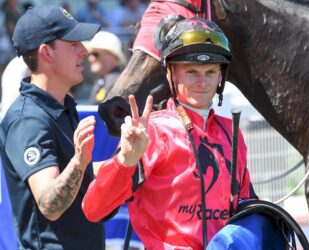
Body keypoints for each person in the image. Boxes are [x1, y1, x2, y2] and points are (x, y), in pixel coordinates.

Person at [82, 17, 258, 249]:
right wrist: (124, 162)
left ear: (220, 77)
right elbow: (94, 210)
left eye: (210, 71)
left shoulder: (231, 132)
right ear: (172, 74)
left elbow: (248, 208)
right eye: (192, 71)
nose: (202, 82)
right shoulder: (152, 131)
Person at [0, 5, 105, 250]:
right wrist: (79, 163)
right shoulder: (28, 120)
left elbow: (82, 174)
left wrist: (127, 159)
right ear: (47, 52)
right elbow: (49, 205)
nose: (84, 51)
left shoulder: (59, 107)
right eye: (73, 44)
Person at [84, 31, 126, 104]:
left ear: (112, 56)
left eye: (95, 54)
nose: (91, 59)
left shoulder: (119, 83)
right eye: (90, 54)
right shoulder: (102, 80)